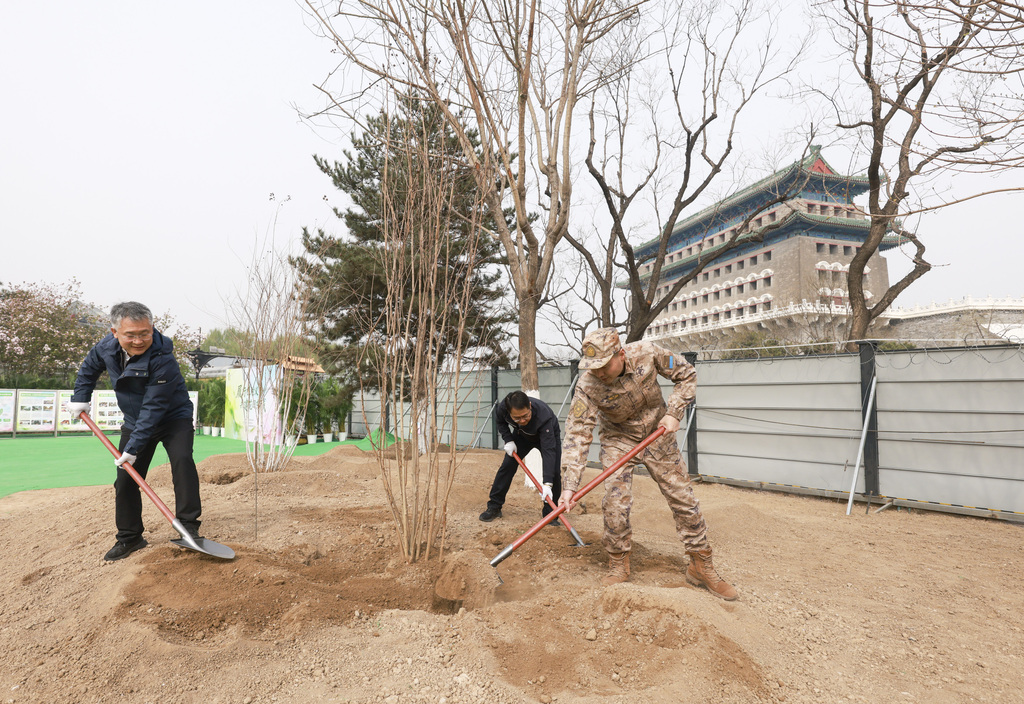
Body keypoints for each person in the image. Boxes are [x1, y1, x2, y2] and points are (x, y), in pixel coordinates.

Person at [557, 328, 737, 600]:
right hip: (618, 438)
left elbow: (686, 373)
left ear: (620, 354)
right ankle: (618, 561)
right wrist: (569, 485)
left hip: (658, 431)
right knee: (615, 501)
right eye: (593, 367)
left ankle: (701, 565)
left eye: (604, 366)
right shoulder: (587, 385)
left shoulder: (647, 353)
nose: (599, 373)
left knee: (683, 498)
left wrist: (674, 412)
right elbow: (577, 433)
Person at [65, 301, 203, 562]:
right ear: (115, 332)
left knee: (182, 462)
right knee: (126, 478)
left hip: (173, 418)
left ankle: (189, 527)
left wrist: (133, 447)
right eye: (131, 335)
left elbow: (154, 407)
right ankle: (130, 537)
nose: (138, 341)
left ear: (152, 329)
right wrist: (80, 398)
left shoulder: (163, 358)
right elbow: (88, 369)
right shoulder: (106, 348)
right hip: (134, 419)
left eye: (144, 333)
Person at [479, 390, 562, 523]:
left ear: (530, 406)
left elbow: (549, 451)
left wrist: (547, 483)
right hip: (522, 436)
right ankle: (494, 506)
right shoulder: (503, 408)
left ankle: (550, 514)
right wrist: (508, 439)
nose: (522, 420)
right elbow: (500, 422)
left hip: (547, 436)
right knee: (507, 466)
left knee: (554, 473)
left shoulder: (544, 416)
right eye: (517, 418)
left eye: (525, 416)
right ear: (509, 412)